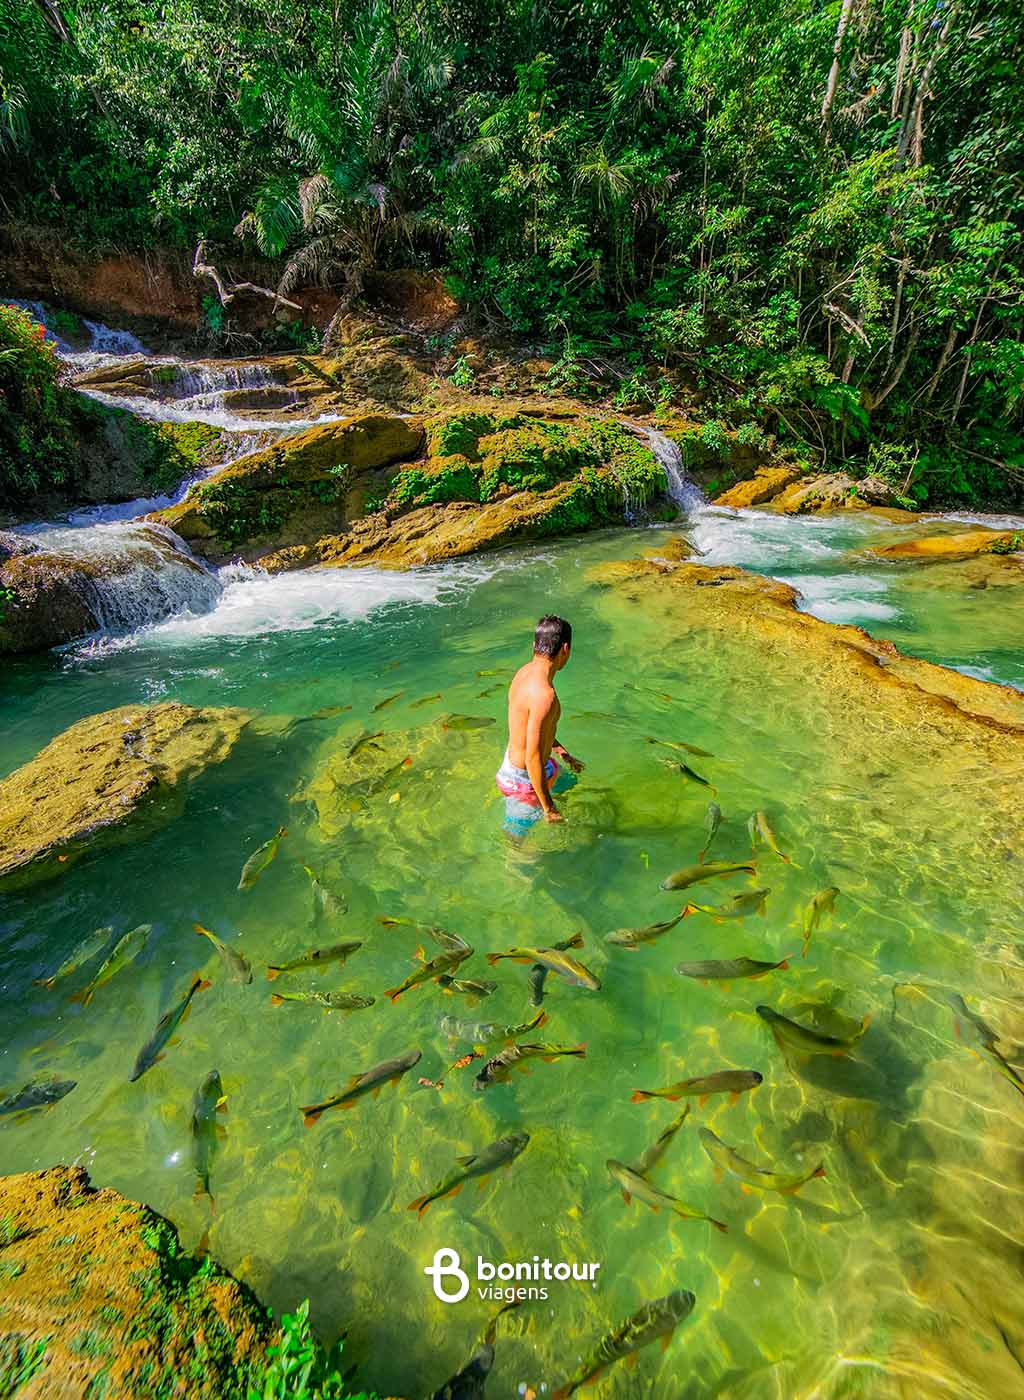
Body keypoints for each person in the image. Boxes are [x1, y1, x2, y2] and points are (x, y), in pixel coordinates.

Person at [495, 615, 584, 825]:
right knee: (520, 850)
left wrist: (563, 753)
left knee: (569, 782)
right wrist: (549, 808)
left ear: (535, 644)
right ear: (565, 649)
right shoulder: (546, 696)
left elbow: (534, 728)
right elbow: (532, 758)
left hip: (525, 766)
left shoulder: (523, 672)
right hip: (523, 781)